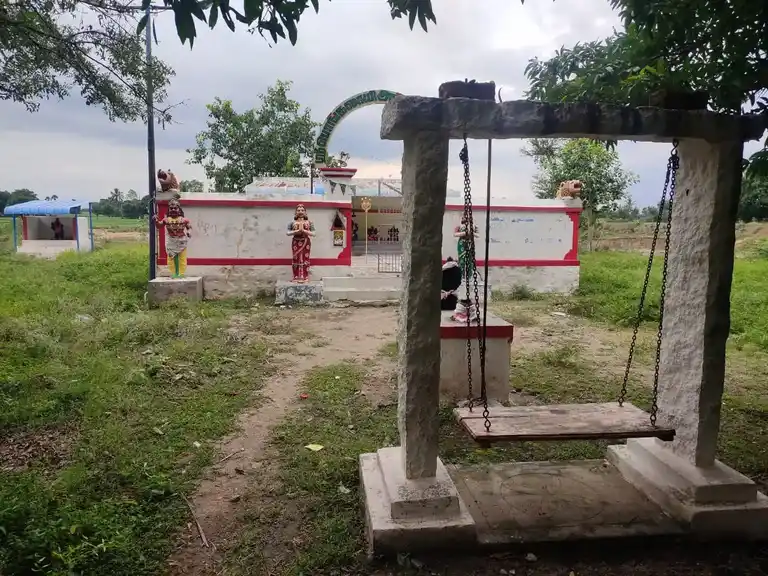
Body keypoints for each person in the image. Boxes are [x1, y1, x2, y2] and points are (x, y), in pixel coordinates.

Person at [153, 198, 192, 278]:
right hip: (171, 241)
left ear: (179, 209)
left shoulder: (184, 220)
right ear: (169, 209)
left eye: (175, 208)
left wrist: (189, 232)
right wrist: (156, 221)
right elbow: (159, 226)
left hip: (181, 241)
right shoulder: (166, 220)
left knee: (182, 258)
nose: (173, 210)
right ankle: (174, 273)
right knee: (171, 257)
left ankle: (181, 273)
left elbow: (189, 228)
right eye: (171, 208)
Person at [287, 204, 315, 282]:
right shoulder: (292, 222)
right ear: (296, 212)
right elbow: (288, 232)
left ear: (305, 212)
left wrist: (305, 231)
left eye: (302, 210)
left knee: (305, 258)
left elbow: (314, 233)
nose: (300, 212)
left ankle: (305, 276)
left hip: (306, 242)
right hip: (296, 241)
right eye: (298, 210)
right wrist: (296, 232)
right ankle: (296, 276)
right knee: (296, 258)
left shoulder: (309, 222)